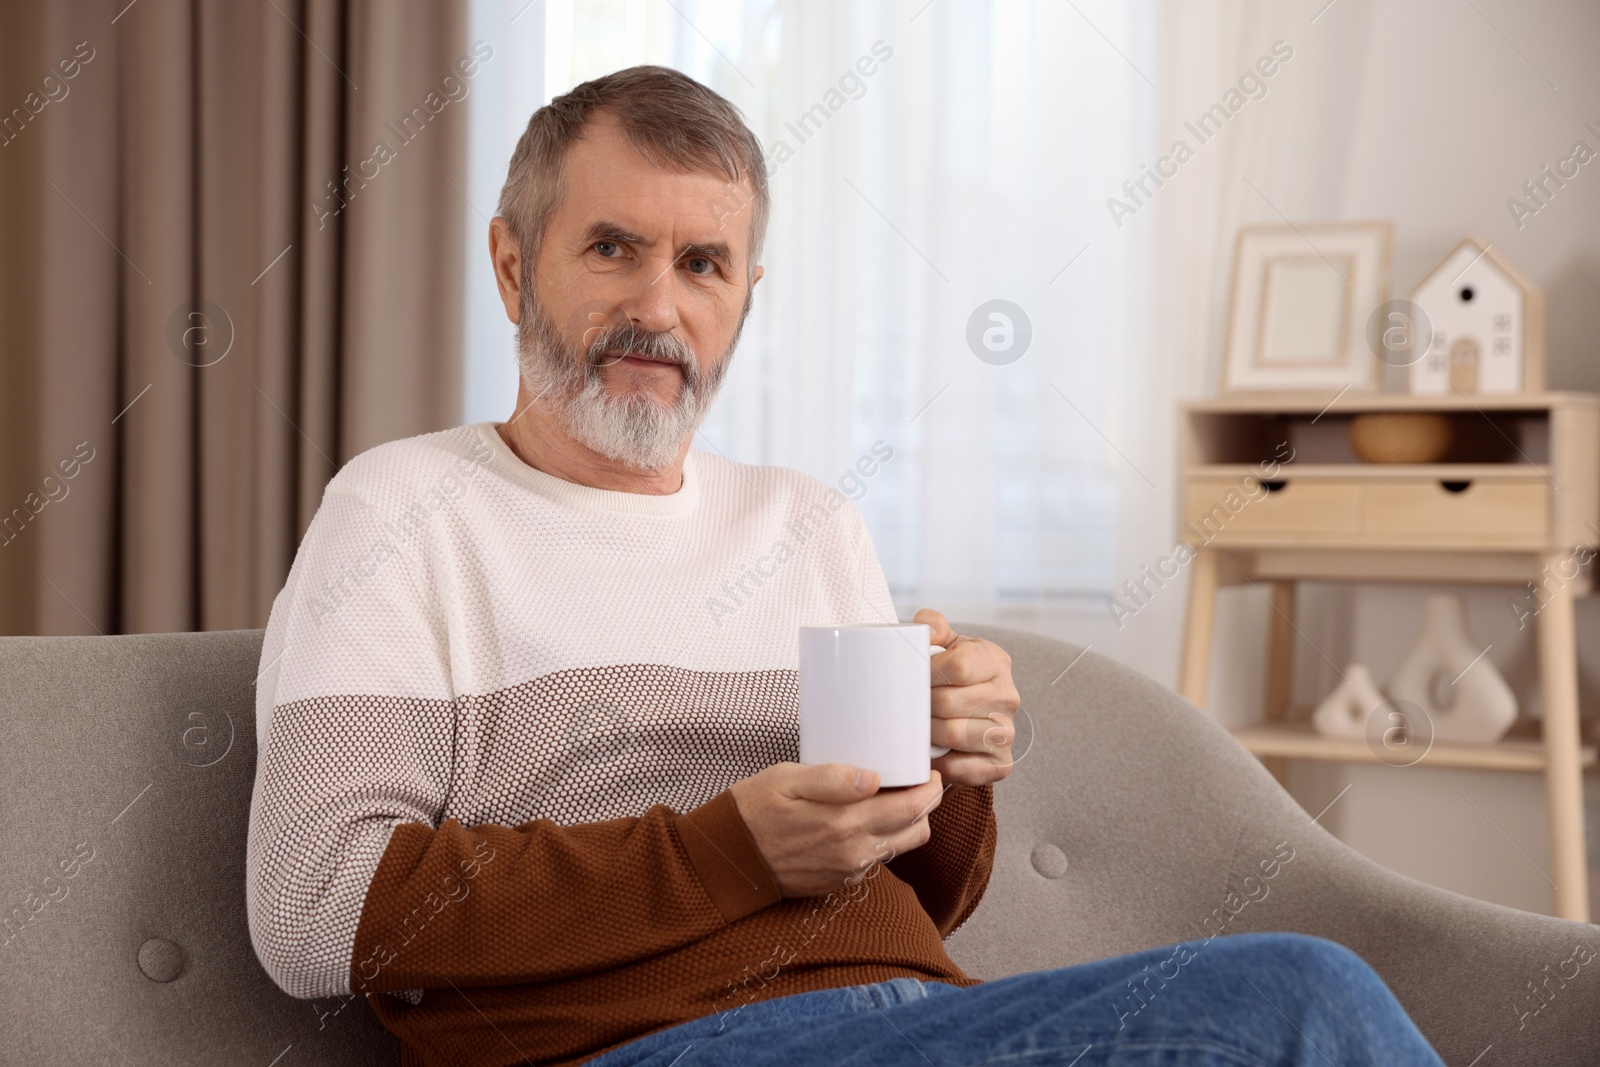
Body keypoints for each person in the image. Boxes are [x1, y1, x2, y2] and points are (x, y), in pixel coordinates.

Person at [245, 65, 1446, 1067]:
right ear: (513, 266)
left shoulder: (808, 522)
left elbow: (912, 889)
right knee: (1295, 1000)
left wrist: (952, 769)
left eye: (703, 264)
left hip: (919, 1016)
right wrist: (725, 846)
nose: (656, 308)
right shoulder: (402, 509)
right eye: (612, 248)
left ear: (745, 300)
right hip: (646, 1045)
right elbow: (314, 907)